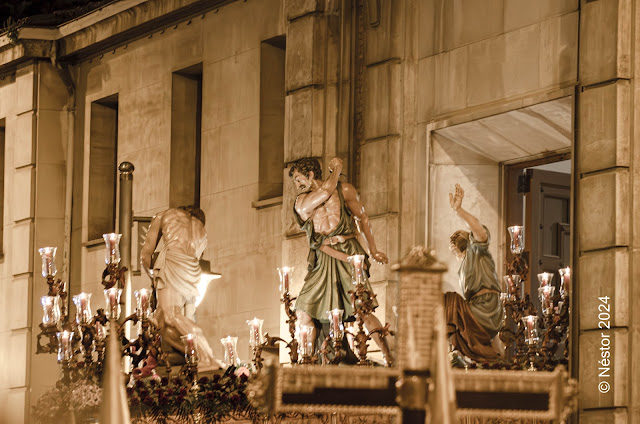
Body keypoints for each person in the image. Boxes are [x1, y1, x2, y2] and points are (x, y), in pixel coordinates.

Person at [289, 157, 392, 365]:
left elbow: (362, 218)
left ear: (311, 175)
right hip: (324, 257)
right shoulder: (301, 202)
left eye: (299, 179)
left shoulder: (344, 191)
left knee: (362, 308)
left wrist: (373, 249)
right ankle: (308, 359)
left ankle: (389, 356)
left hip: (349, 252)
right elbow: (324, 193)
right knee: (303, 311)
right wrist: (336, 170)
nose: (297, 185)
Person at [141, 206, 220, 369]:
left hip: (172, 263)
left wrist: (153, 275)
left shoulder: (164, 215)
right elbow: (196, 257)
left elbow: (146, 253)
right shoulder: (201, 231)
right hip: (191, 269)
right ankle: (189, 353)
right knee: (159, 323)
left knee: (172, 316)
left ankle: (206, 357)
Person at [445, 184, 502, 363]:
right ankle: (463, 354)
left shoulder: (476, 250)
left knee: (449, 302)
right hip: (480, 309)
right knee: (454, 313)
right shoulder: (463, 265)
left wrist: (458, 210)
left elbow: (479, 230)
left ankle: (448, 351)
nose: (452, 251)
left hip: (486, 307)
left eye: (453, 248)